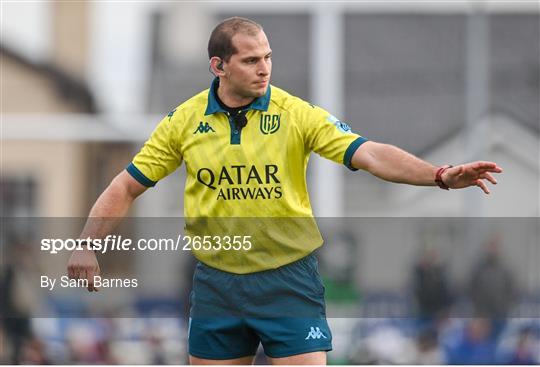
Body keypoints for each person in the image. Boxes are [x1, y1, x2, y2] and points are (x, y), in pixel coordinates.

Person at [67, 16, 503, 365]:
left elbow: (368, 153)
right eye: (251, 60)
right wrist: (88, 245)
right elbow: (126, 185)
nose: (265, 69)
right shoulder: (184, 121)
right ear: (219, 66)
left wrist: (439, 175)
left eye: (268, 57)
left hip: (287, 279)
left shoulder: (295, 113)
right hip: (217, 282)